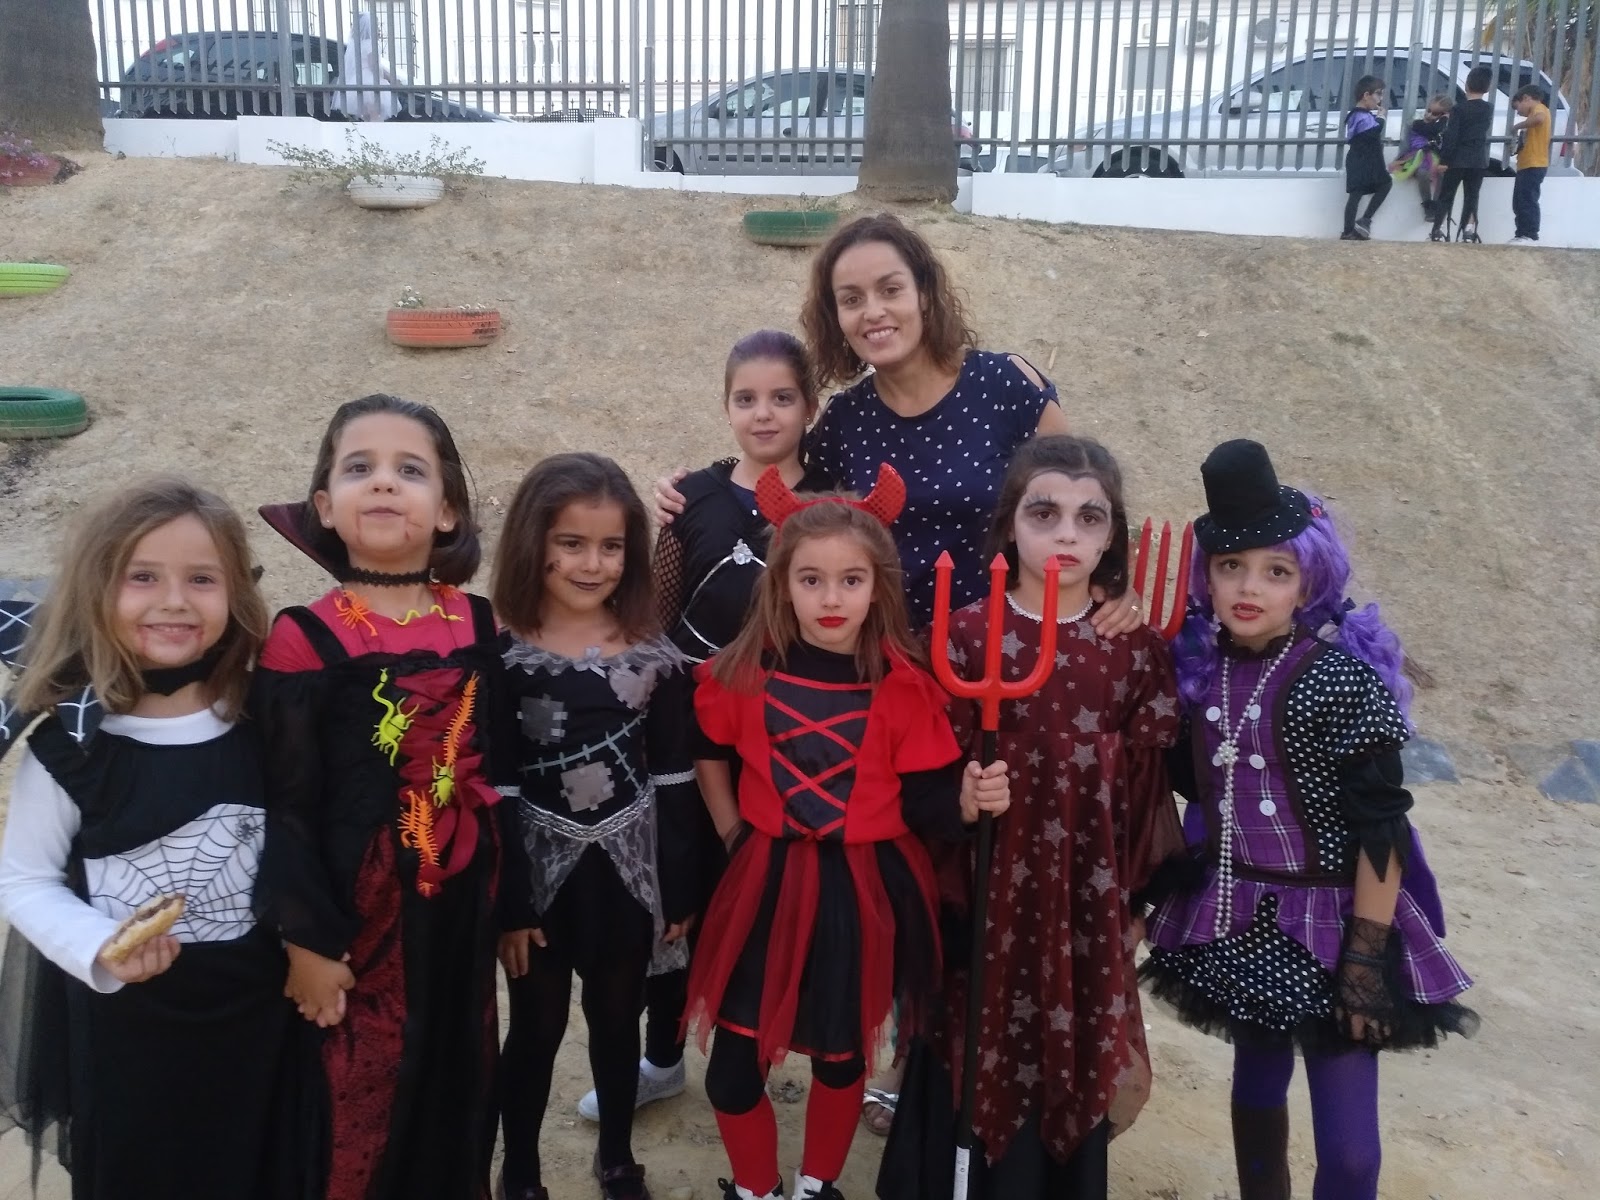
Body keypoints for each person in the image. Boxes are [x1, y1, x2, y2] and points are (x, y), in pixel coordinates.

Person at [1141, 440, 1478, 1200]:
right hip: (1239, 912)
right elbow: (1187, 788)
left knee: (1350, 1151)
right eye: (1230, 566)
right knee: (1256, 1088)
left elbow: (1383, 827)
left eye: (1276, 570)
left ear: (1309, 581)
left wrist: (1364, 958)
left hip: (1336, 920)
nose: (1248, 587)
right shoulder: (1200, 676)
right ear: (1206, 579)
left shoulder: (1338, 680)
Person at [685, 471, 1010, 1200]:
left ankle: (815, 1186)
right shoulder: (743, 674)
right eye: (812, 579)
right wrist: (732, 830)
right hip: (763, 884)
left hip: (862, 890)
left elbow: (928, 801)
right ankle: (756, 1190)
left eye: (851, 580)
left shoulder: (903, 685)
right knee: (733, 1072)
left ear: (877, 587)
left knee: (839, 1057)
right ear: (782, 584)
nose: (831, 599)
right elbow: (707, 747)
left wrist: (967, 801)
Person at [879, 437, 1185, 1200]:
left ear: (1112, 537)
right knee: (971, 1026)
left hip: (1085, 894)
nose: (1066, 535)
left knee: (1069, 1035)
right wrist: (960, 800)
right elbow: (921, 772)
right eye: (1044, 514)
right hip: (985, 889)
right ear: (1008, 524)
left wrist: (1134, 902)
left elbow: (1146, 789)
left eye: (1090, 518)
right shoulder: (964, 636)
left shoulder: (1131, 650)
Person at [0, 478, 295, 1200]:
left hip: (261, 1019)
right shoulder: (72, 751)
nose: (174, 600)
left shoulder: (267, 724)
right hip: (126, 1034)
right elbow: (23, 879)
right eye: (143, 577)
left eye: (202, 579)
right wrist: (99, 946)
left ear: (237, 594)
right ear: (96, 592)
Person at [575, 332, 835, 1129]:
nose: (765, 413)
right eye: (746, 398)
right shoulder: (690, 497)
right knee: (675, 892)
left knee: (759, 897)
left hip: (783, 738)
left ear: (810, 406)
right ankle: (661, 1058)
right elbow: (656, 613)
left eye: (782, 397)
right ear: (725, 407)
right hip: (684, 734)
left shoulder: (835, 503)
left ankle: (749, 1054)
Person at [652, 214, 1142, 637]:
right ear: (836, 317)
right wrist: (697, 487)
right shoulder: (844, 421)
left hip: (1006, 652)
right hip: (888, 660)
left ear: (923, 294)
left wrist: (1118, 580)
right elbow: (785, 485)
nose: (873, 312)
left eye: (890, 290)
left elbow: (1085, 494)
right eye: (851, 299)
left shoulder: (1005, 385)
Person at [253, 394, 502, 1200]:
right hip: (356, 919)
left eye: (411, 470)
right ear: (325, 505)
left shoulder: (479, 625)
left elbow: (499, 773)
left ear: (447, 509)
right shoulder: (304, 637)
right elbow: (286, 806)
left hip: (460, 903)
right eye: (360, 468)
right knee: (358, 1092)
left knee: (455, 1076)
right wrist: (305, 941)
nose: (385, 483)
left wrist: (516, 907)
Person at [491, 452, 703, 1200]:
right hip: (536, 877)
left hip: (625, 874)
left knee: (617, 1019)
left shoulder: (655, 656)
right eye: (571, 544)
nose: (592, 563)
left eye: (611, 546)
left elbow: (674, 775)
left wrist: (680, 887)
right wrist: (509, 902)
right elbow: (499, 782)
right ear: (534, 542)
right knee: (536, 1026)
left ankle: (616, 1158)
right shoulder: (500, 656)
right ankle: (520, 1170)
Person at [1430, 66, 1493, 243]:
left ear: (1466, 85)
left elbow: (1452, 135)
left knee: (1446, 195)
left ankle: (1438, 230)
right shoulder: (1488, 108)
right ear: (1487, 88)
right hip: (1478, 159)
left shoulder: (1458, 109)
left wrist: (1444, 160)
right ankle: (1468, 231)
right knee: (1472, 196)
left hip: (1457, 158)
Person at [1342, 76, 1391, 241]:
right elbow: (1374, 131)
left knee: (1367, 190)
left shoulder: (1362, 115)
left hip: (1365, 159)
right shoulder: (1359, 115)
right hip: (1362, 160)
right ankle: (1353, 227)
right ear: (1366, 95)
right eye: (1378, 94)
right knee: (1358, 193)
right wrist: (1381, 117)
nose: (1380, 99)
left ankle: (1359, 224)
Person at [1390, 95, 1449, 222]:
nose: (1429, 115)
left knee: (1442, 175)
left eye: (1435, 114)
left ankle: (1436, 205)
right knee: (1423, 173)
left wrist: (1444, 119)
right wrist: (1443, 119)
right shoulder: (1418, 124)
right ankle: (1428, 206)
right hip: (1415, 159)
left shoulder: (1443, 128)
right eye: (1429, 110)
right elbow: (1432, 130)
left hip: (1434, 160)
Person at [1510, 85, 1552, 245]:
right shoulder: (1533, 115)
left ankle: (1530, 234)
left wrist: (1517, 126)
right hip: (1526, 164)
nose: (1519, 113)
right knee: (1519, 201)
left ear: (1526, 98)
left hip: (1534, 164)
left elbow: (1539, 119)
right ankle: (1521, 233)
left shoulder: (1539, 109)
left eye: (1518, 107)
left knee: (1527, 199)